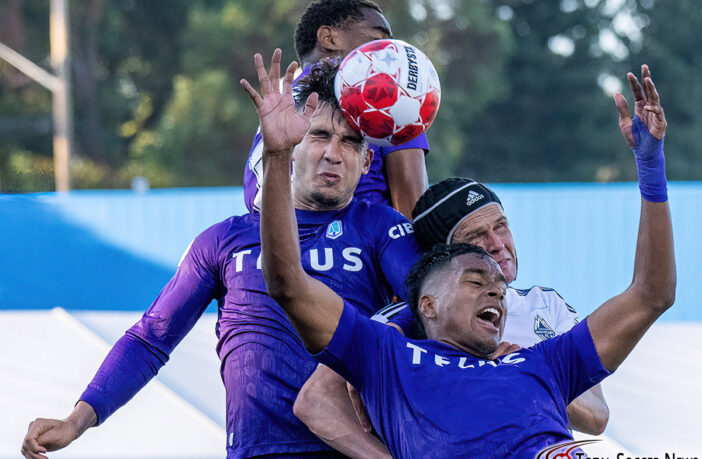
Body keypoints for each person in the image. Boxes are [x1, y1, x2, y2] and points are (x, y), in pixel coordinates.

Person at [256, 58, 675, 458]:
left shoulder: (542, 359)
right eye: (476, 280)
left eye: (496, 286)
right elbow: (287, 282)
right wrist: (277, 156)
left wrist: (651, 167)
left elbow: (651, 294)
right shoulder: (389, 353)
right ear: (427, 302)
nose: (497, 290)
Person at [21, 52, 421, 459]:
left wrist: (380, 332)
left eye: (351, 143)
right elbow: (150, 339)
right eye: (318, 136)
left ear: (367, 159)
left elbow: (431, 307)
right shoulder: (222, 241)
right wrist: (77, 420)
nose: (334, 153)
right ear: (293, 144)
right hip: (255, 451)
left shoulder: (380, 227)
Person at [369, 177, 610, 434]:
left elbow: (597, 418)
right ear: (445, 257)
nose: (497, 244)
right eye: (476, 236)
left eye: (501, 226)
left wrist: (527, 374)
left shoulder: (546, 304)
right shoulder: (400, 324)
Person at [243, 0, 429, 219]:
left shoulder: (281, 102)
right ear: (328, 38)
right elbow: (413, 211)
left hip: (276, 243)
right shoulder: (382, 94)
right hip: (362, 244)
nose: (387, 52)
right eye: (377, 40)